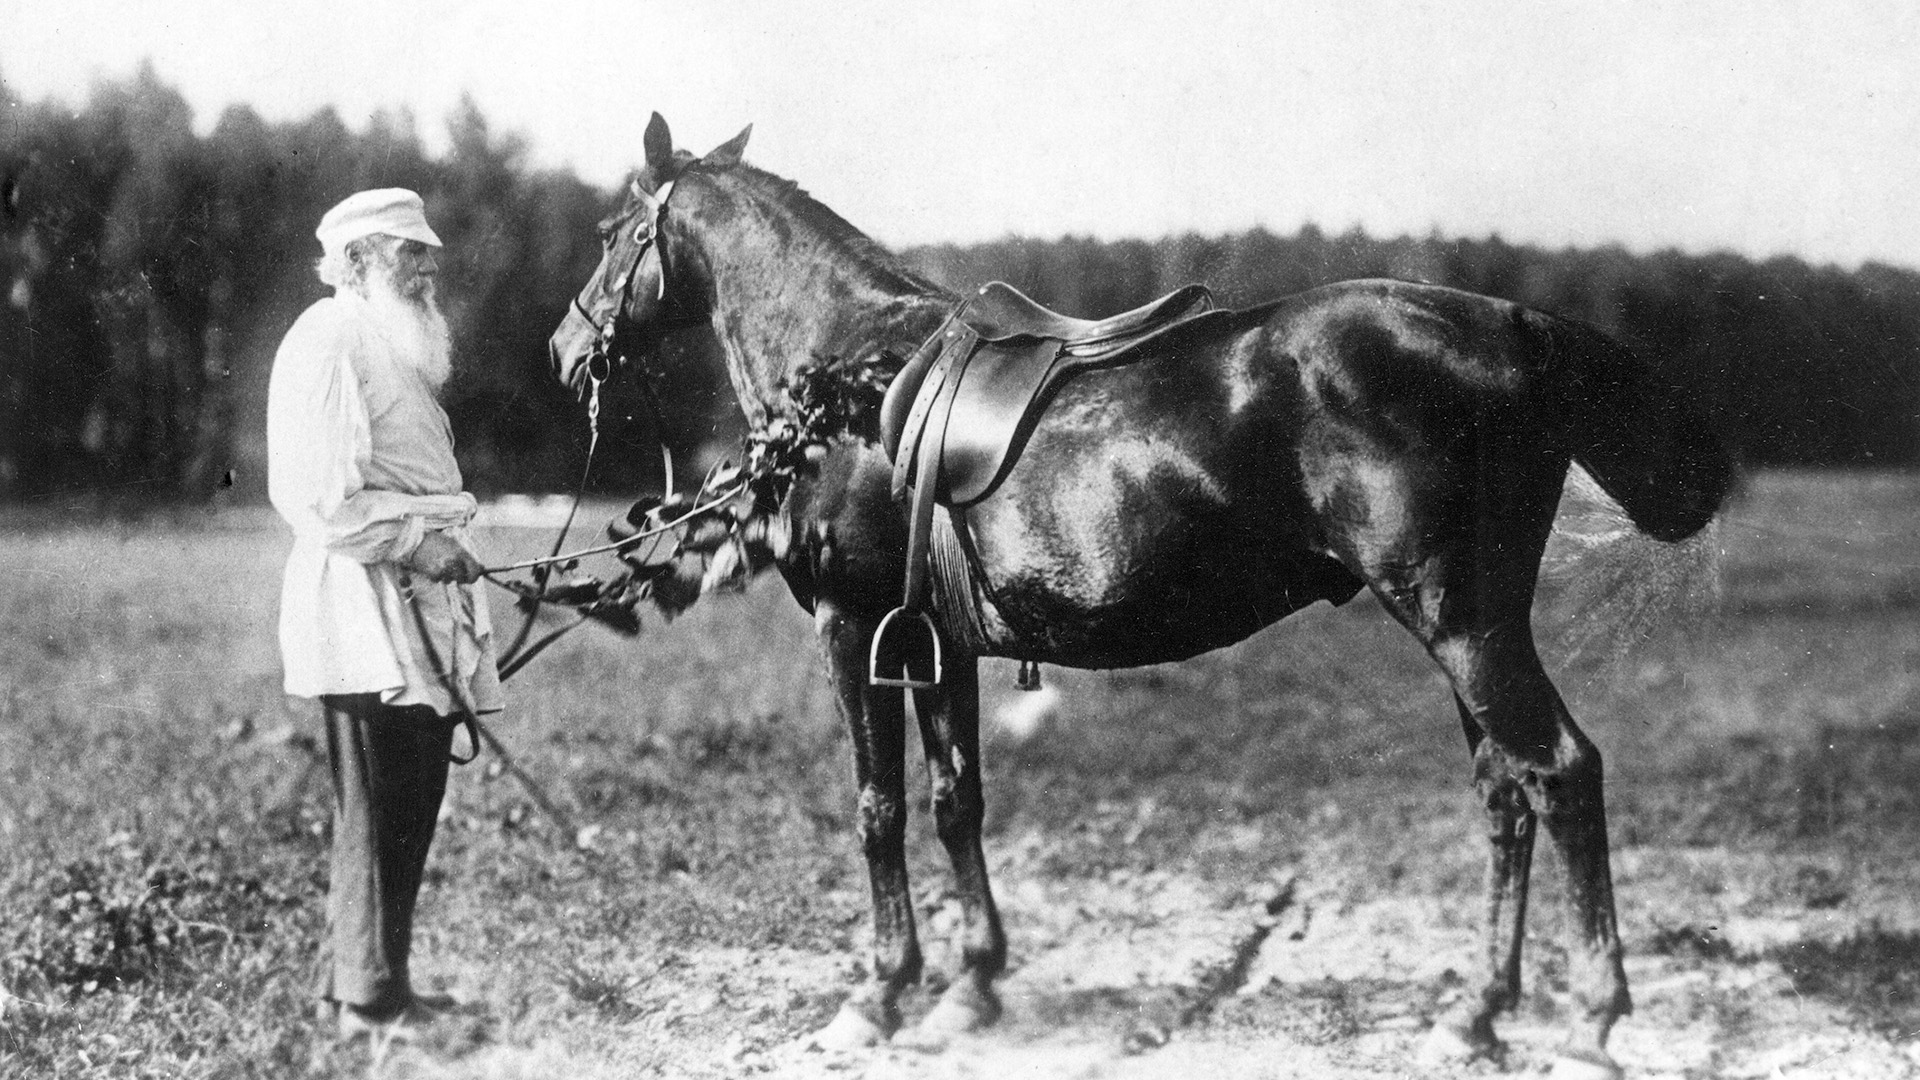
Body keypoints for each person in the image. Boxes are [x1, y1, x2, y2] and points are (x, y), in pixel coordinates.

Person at [267, 188, 500, 1042]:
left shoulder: (387, 342)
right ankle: (367, 1001)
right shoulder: (326, 339)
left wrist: (438, 544)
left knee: (414, 794)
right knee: (377, 799)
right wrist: (417, 543)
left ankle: (375, 982)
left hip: (420, 598)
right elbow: (318, 497)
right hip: (363, 603)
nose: (430, 264)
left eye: (428, 249)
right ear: (359, 261)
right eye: (412, 251)